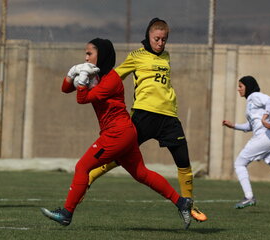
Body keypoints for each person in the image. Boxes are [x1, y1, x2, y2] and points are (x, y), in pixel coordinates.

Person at [40, 38, 193, 229]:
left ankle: (66, 213)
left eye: (89, 54)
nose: (85, 57)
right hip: (124, 133)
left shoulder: (111, 79)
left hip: (117, 133)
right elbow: (65, 89)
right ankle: (181, 203)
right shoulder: (97, 74)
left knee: (82, 167)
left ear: (101, 55)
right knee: (142, 174)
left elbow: (82, 98)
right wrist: (72, 73)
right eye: (85, 53)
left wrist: (81, 81)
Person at [87, 18, 207, 222]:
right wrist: (96, 86)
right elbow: (117, 76)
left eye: (164, 39)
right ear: (148, 36)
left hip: (169, 117)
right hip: (143, 114)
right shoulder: (136, 56)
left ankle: (189, 205)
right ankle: (89, 176)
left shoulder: (166, 56)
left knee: (184, 162)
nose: (160, 43)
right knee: (120, 153)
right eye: (157, 39)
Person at [222, 76, 270, 209]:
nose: (238, 89)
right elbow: (250, 126)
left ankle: (249, 197)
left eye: (241, 86)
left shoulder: (254, 96)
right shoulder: (250, 103)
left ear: (248, 86)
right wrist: (233, 125)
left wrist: (265, 117)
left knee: (239, 163)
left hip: (264, 137)